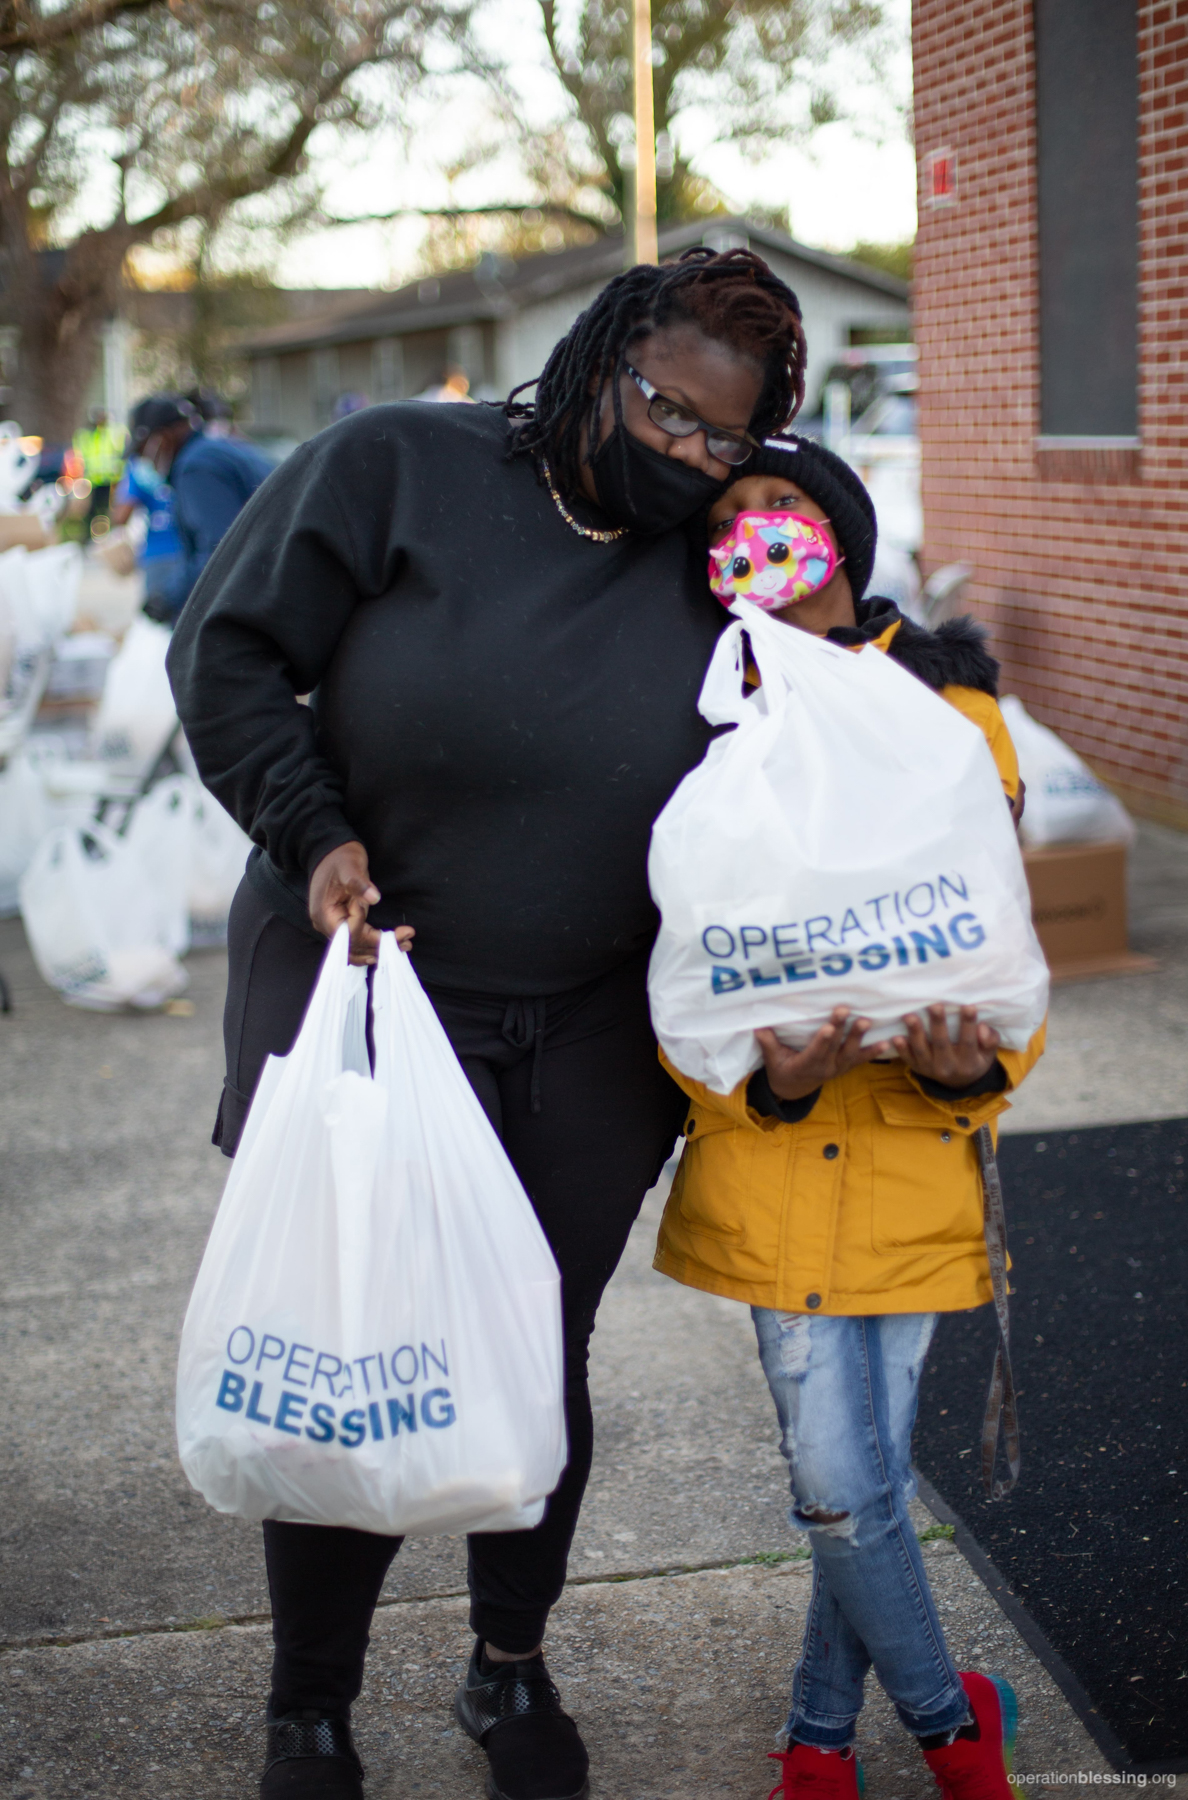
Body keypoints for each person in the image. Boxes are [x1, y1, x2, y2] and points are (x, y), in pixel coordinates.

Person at [166, 246, 809, 1800]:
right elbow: (227, 651)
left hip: (588, 1025)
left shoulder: (727, 543)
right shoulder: (395, 465)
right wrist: (313, 834)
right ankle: (308, 1707)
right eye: (665, 412)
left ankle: (506, 1671)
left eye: (726, 440)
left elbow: (824, 663)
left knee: (536, 1349)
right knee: (351, 1333)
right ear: (598, 358)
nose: (686, 458)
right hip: (371, 992)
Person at [654, 435, 1044, 1800]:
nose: (757, 529)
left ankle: (820, 1743)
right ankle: (952, 1724)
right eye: (730, 516)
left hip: (916, 1165)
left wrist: (967, 1073)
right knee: (840, 1483)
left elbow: (999, 951)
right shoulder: (702, 711)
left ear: (842, 532)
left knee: (852, 1481)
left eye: (785, 505)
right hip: (774, 1160)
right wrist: (771, 1081)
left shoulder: (949, 717)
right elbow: (691, 966)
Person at [129, 394, 272, 624]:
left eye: (143, 450)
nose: (144, 461)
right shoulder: (214, 451)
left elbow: (220, 550)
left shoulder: (197, 468)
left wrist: (168, 598)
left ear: (162, 438)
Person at [110, 450, 184, 623]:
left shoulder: (138, 468)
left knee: (157, 619)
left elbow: (121, 516)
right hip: (186, 551)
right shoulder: (183, 458)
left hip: (157, 553)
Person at [72, 406, 127, 534]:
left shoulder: (112, 433)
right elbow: (81, 456)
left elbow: (120, 454)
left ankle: (107, 535)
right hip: (94, 480)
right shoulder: (87, 435)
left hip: (110, 479)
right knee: (92, 512)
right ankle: (90, 536)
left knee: (109, 511)